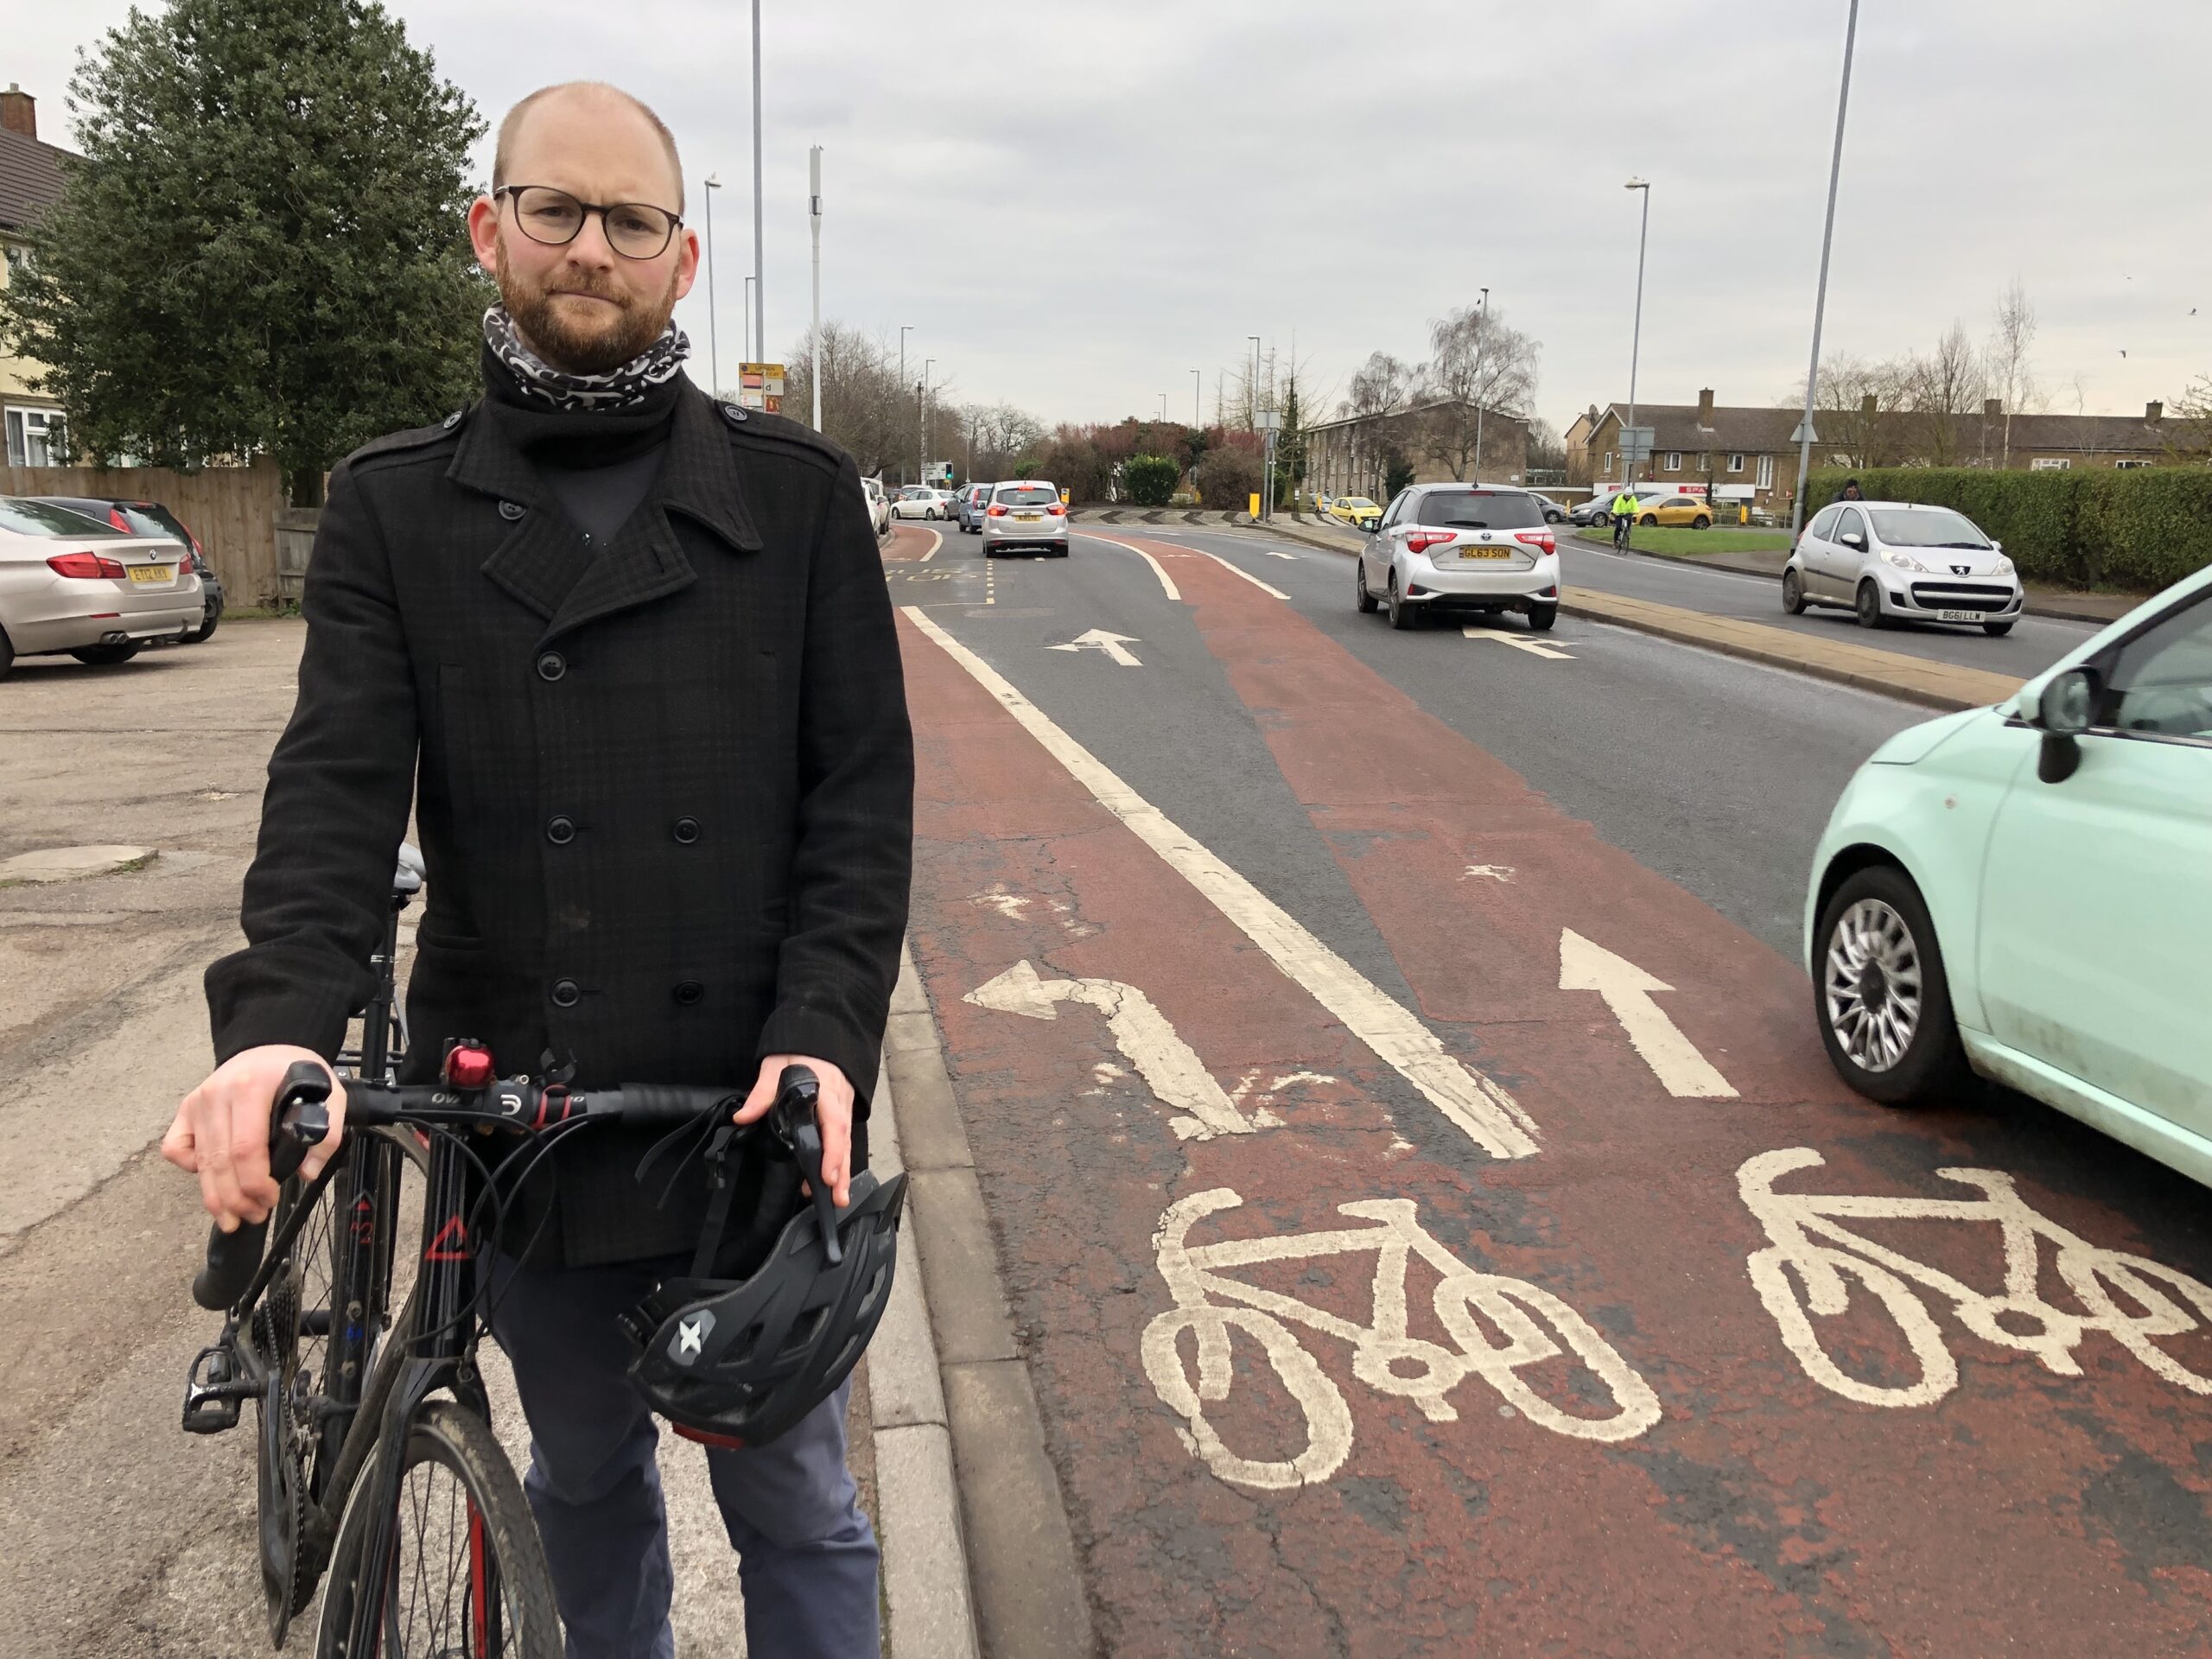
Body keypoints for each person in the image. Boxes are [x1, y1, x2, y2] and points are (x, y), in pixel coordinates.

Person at [160, 80, 911, 1659]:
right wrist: (280, 1026)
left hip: (745, 1116)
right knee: (581, 1477)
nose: (592, 247)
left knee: (799, 1506)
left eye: (630, 220)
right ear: (489, 229)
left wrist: (827, 1035)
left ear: (682, 260)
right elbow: (336, 798)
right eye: (556, 211)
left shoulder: (797, 498)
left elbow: (860, 805)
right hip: (526, 1122)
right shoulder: (393, 505)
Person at [1611, 482, 1641, 550]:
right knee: (1618, 527)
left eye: (1629, 496)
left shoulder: (1633, 498)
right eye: (1627, 495)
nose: (1628, 497)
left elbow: (1635, 506)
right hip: (1619, 513)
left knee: (1628, 524)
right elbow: (1616, 505)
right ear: (1624, 494)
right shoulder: (1620, 497)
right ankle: (1615, 542)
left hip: (1628, 513)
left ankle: (1627, 533)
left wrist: (1636, 511)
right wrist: (1615, 512)